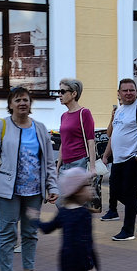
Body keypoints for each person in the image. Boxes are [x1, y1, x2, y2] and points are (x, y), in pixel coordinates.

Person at [0, 85, 58, 271]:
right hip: (8, 191)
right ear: (10, 105)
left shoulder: (40, 128)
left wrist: (52, 185)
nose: (22, 103)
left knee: (30, 232)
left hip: (34, 191)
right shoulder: (2, 125)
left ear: (30, 103)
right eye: (17, 100)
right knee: (7, 233)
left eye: (25, 99)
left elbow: (49, 161)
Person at [103, 78, 137, 241]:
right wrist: (106, 155)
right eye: (124, 90)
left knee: (129, 193)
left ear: (136, 91)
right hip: (117, 160)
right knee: (117, 192)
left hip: (132, 158)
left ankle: (128, 230)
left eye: (131, 90)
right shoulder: (120, 110)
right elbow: (111, 134)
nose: (128, 93)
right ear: (119, 93)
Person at [56, 78, 98, 210]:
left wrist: (92, 167)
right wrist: (57, 166)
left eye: (63, 91)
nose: (59, 95)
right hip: (65, 165)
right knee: (61, 202)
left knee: (78, 203)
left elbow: (91, 141)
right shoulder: (64, 116)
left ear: (74, 94)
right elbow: (63, 142)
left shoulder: (84, 113)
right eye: (59, 91)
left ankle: (80, 228)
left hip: (79, 162)